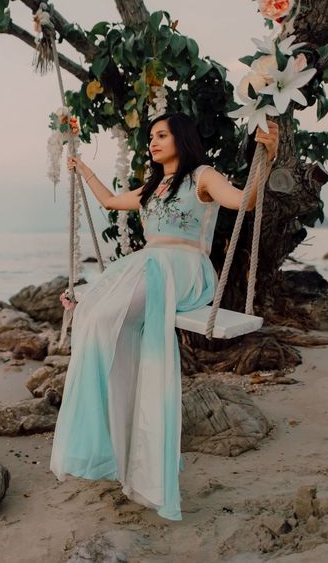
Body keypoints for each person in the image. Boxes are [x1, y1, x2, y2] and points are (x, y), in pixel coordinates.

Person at [49, 112, 278, 521]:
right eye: (150, 137)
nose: (152, 143)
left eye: (160, 135)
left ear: (181, 138)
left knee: (111, 304)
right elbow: (108, 201)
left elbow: (245, 200)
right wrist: (80, 165)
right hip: (150, 267)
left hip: (185, 270)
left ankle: (118, 431)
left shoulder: (203, 176)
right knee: (97, 322)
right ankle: (116, 435)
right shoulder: (155, 186)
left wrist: (268, 157)